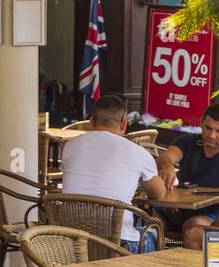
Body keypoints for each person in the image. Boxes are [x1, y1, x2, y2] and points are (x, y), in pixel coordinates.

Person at [61, 94, 168, 251]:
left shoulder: (70, 146)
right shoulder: (139, 152)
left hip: (73, 241)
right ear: (124, 124)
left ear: (91, 121)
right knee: (155, 234)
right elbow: (158, 194)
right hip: (118, 245)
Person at [155, 101, 219, 250]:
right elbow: (165, 158)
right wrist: (167, 166)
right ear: (201, 122)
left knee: (192, 231)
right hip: (175, 209)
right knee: (141, 221)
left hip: (210, 213)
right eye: (207, 128)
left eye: (218, 131)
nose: (211, 135)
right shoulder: (188, 141)